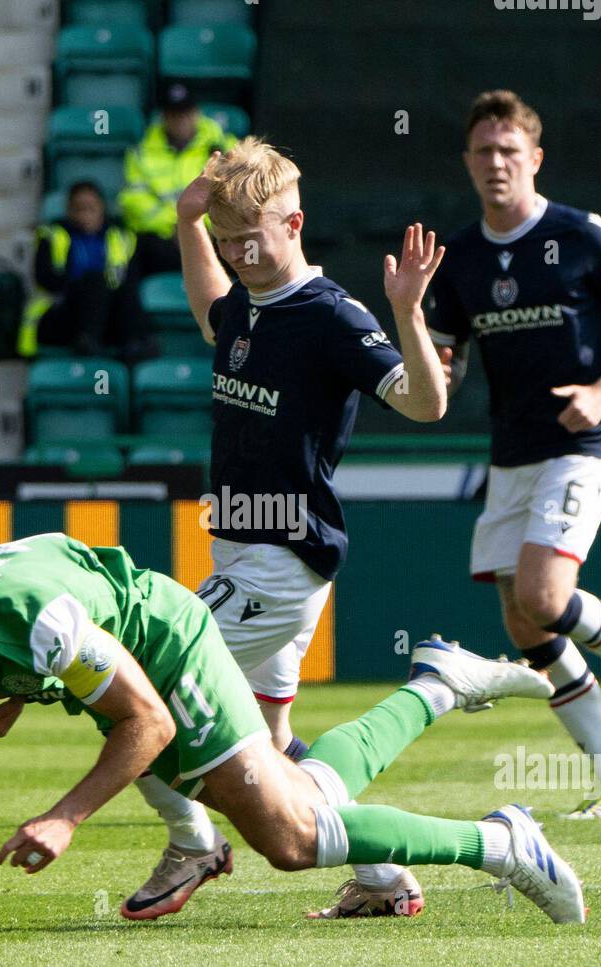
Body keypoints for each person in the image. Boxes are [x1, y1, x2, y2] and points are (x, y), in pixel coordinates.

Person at [0, 532, 586, 927]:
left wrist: (64, 819)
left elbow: (147, 723)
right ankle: (437, 682)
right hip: (111, 656)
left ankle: (500, 844)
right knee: (297, 794)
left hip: (167, 651)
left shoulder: (35, 624)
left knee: (291, 840)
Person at [119, 136, 453, 921]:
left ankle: (193, 842)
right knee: (270, 748)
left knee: (141, 691)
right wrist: (188, 223)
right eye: (229, 239)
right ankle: (384, 878)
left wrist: (408, 312)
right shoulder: (247, 301)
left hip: (280, 560)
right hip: (241, 547)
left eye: (252, 236)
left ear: (295, 222)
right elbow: (210, 313)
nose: (239, 252)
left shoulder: (332, 314)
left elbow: (424, 404)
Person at [424, 90, 601, 819]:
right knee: (524, 623)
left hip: (582, 442)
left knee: (543, 595)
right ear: (468, 163)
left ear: (535, 159)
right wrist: (441, 371)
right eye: (484, 151)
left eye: (510, 151)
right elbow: (450, 356)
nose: (497, 163)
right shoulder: (461, 257)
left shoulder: (580, 234)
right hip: (512, 451)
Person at [17, 180, 149, 360]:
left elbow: (129, 279)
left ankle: (134, 345)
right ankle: (88, 342)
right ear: (69, 211)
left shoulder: (121, 238)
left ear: (102, 208)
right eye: (79, 208)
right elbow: (45, 279)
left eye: (91, 208)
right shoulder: (53, 236)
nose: (85, 215)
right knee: (94, 281)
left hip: (108, 312)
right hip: (63, 312)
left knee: (124, 292)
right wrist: (85, 284)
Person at [118, 82, 239, 276]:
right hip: (164, 237)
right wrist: (179, 224)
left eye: (185, 112)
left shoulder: (224, 147)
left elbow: (237, 195)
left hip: (214, 233)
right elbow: (133, 203)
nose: (180, 120)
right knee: (138, 256)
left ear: (196, 113)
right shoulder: (141, 153)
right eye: (173, 114)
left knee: (241, 250)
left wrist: (199, 225)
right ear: (163, 116)